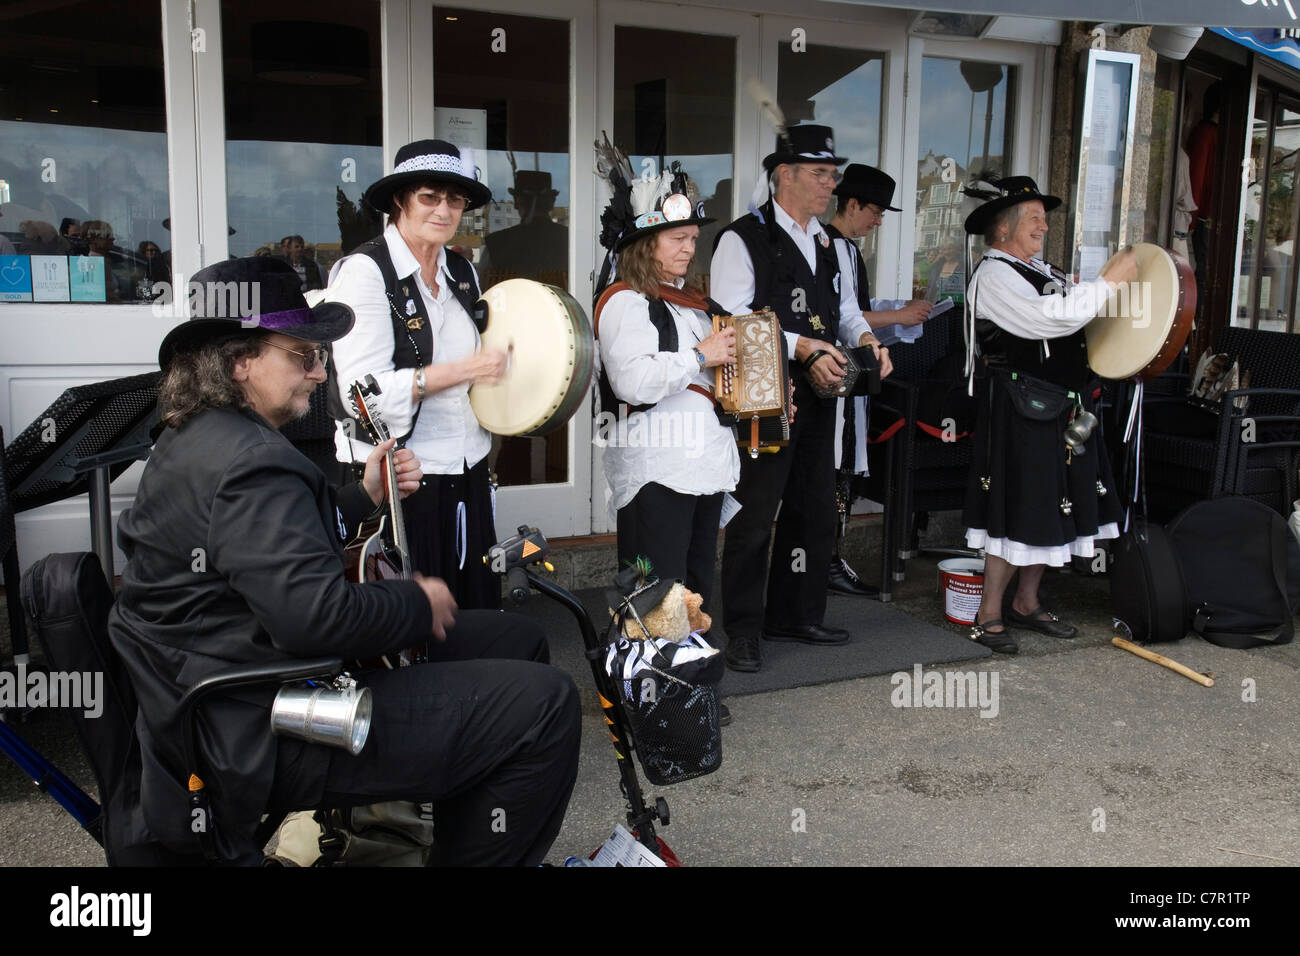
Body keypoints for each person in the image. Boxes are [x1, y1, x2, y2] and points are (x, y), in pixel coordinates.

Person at [107, 257, 580, 865]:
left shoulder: (194, 439)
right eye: (302, 355)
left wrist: (364, 496)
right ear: (239, 361)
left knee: (514, 639)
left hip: (218, 694)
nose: (319, 371)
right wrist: (414, 600)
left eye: (320, 356)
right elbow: (313, 619)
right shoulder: (251, 458)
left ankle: (456, 823)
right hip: (261, 721)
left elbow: (270, 545)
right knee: (544, 705)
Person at [709, 124, 892, 673]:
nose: (830, 185)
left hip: (820, 393)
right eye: (819, 174)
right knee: (754, 512)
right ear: (783, 174)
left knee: (813, 507)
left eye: (833, 175)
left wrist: (867, 341)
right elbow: (731, 320)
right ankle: (740, 627)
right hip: (763, 393)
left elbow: (848, 313)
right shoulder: (742, 238)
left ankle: (794, 612)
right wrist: (803, 345)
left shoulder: (832, 244)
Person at [326, 140, 505, 609]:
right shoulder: (365, 273)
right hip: (403, 477)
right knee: (414, 619)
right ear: (399, 202)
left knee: (470, 606)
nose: (444, 209)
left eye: (455, 199)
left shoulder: (462, 271)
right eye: (430, 196)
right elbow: (360, 394)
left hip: (465, 465)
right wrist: (464, 370)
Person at [961, 176, 1137, 654]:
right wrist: (1108, 282)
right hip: (1021, 409)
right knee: (1020, 506)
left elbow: (1075, 315)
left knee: (1056, 505)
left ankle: (1027, 601)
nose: (1043, 224)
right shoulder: (994, 275)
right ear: (1003, 229)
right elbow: (1052, 318)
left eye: (1043, 216)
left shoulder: (1040, 269)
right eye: (1033, 217)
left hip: (1061, 404)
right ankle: (989, 613)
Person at [593, 155, 737, 719]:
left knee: (697, 578)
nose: (688, 247)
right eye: (676, 238)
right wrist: (702, 356)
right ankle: (652, 692)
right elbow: (632, 379)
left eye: (692, 237)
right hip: (657, 466)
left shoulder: (697, 306)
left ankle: (693, 683)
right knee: (657, 584)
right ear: (644, 244)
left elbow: (722, 374)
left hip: (702, 464)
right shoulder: (624, 302)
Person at [824, 164, 931, 597]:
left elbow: (854, 311)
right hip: (835, 375)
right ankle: (825, 560)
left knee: (843, 471)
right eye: (876, 210)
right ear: (852, 204)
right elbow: (841, 315)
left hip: (850, 375)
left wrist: (895, 312)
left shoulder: (844, 247)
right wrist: (900, 317)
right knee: (835, 469)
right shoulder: (831, 247)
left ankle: (829, 557)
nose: (879, 220)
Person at [480, 168, 568, 282]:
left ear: (517, 202)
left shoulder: (496, 244)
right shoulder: (571, 241)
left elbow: (483, 290)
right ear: (551, 203)